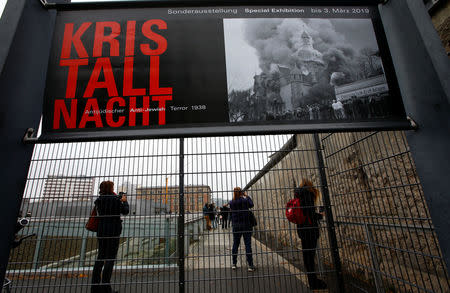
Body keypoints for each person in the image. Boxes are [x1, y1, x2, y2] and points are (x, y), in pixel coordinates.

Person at [91, 181, 129, 293]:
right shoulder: (115, 199)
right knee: (110, 258)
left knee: (100, 257)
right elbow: (125, 211)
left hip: (101, 230)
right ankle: (106, 288)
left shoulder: (99, 200)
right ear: (111, 188)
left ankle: (95, 287)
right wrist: (124, 201)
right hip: (113, 231)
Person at [295, 179, 327, 290]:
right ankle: (313, 282)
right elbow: (309, 212)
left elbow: (304, 212)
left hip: (302, 229)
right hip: (310, 229)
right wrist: (320, 215)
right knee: (310, 256)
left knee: (307, 256)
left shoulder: (297, 195)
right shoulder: (308, 194)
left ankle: (312, 280)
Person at [229, 187, 255, 272]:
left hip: (236, 225)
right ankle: (250, 265)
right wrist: (247, 196)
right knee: (247, 244)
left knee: (235, 244)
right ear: (241, 192)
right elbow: (251, 204)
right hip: (246, 224)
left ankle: (234, 264)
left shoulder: (232, 202)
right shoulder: (245, 200)